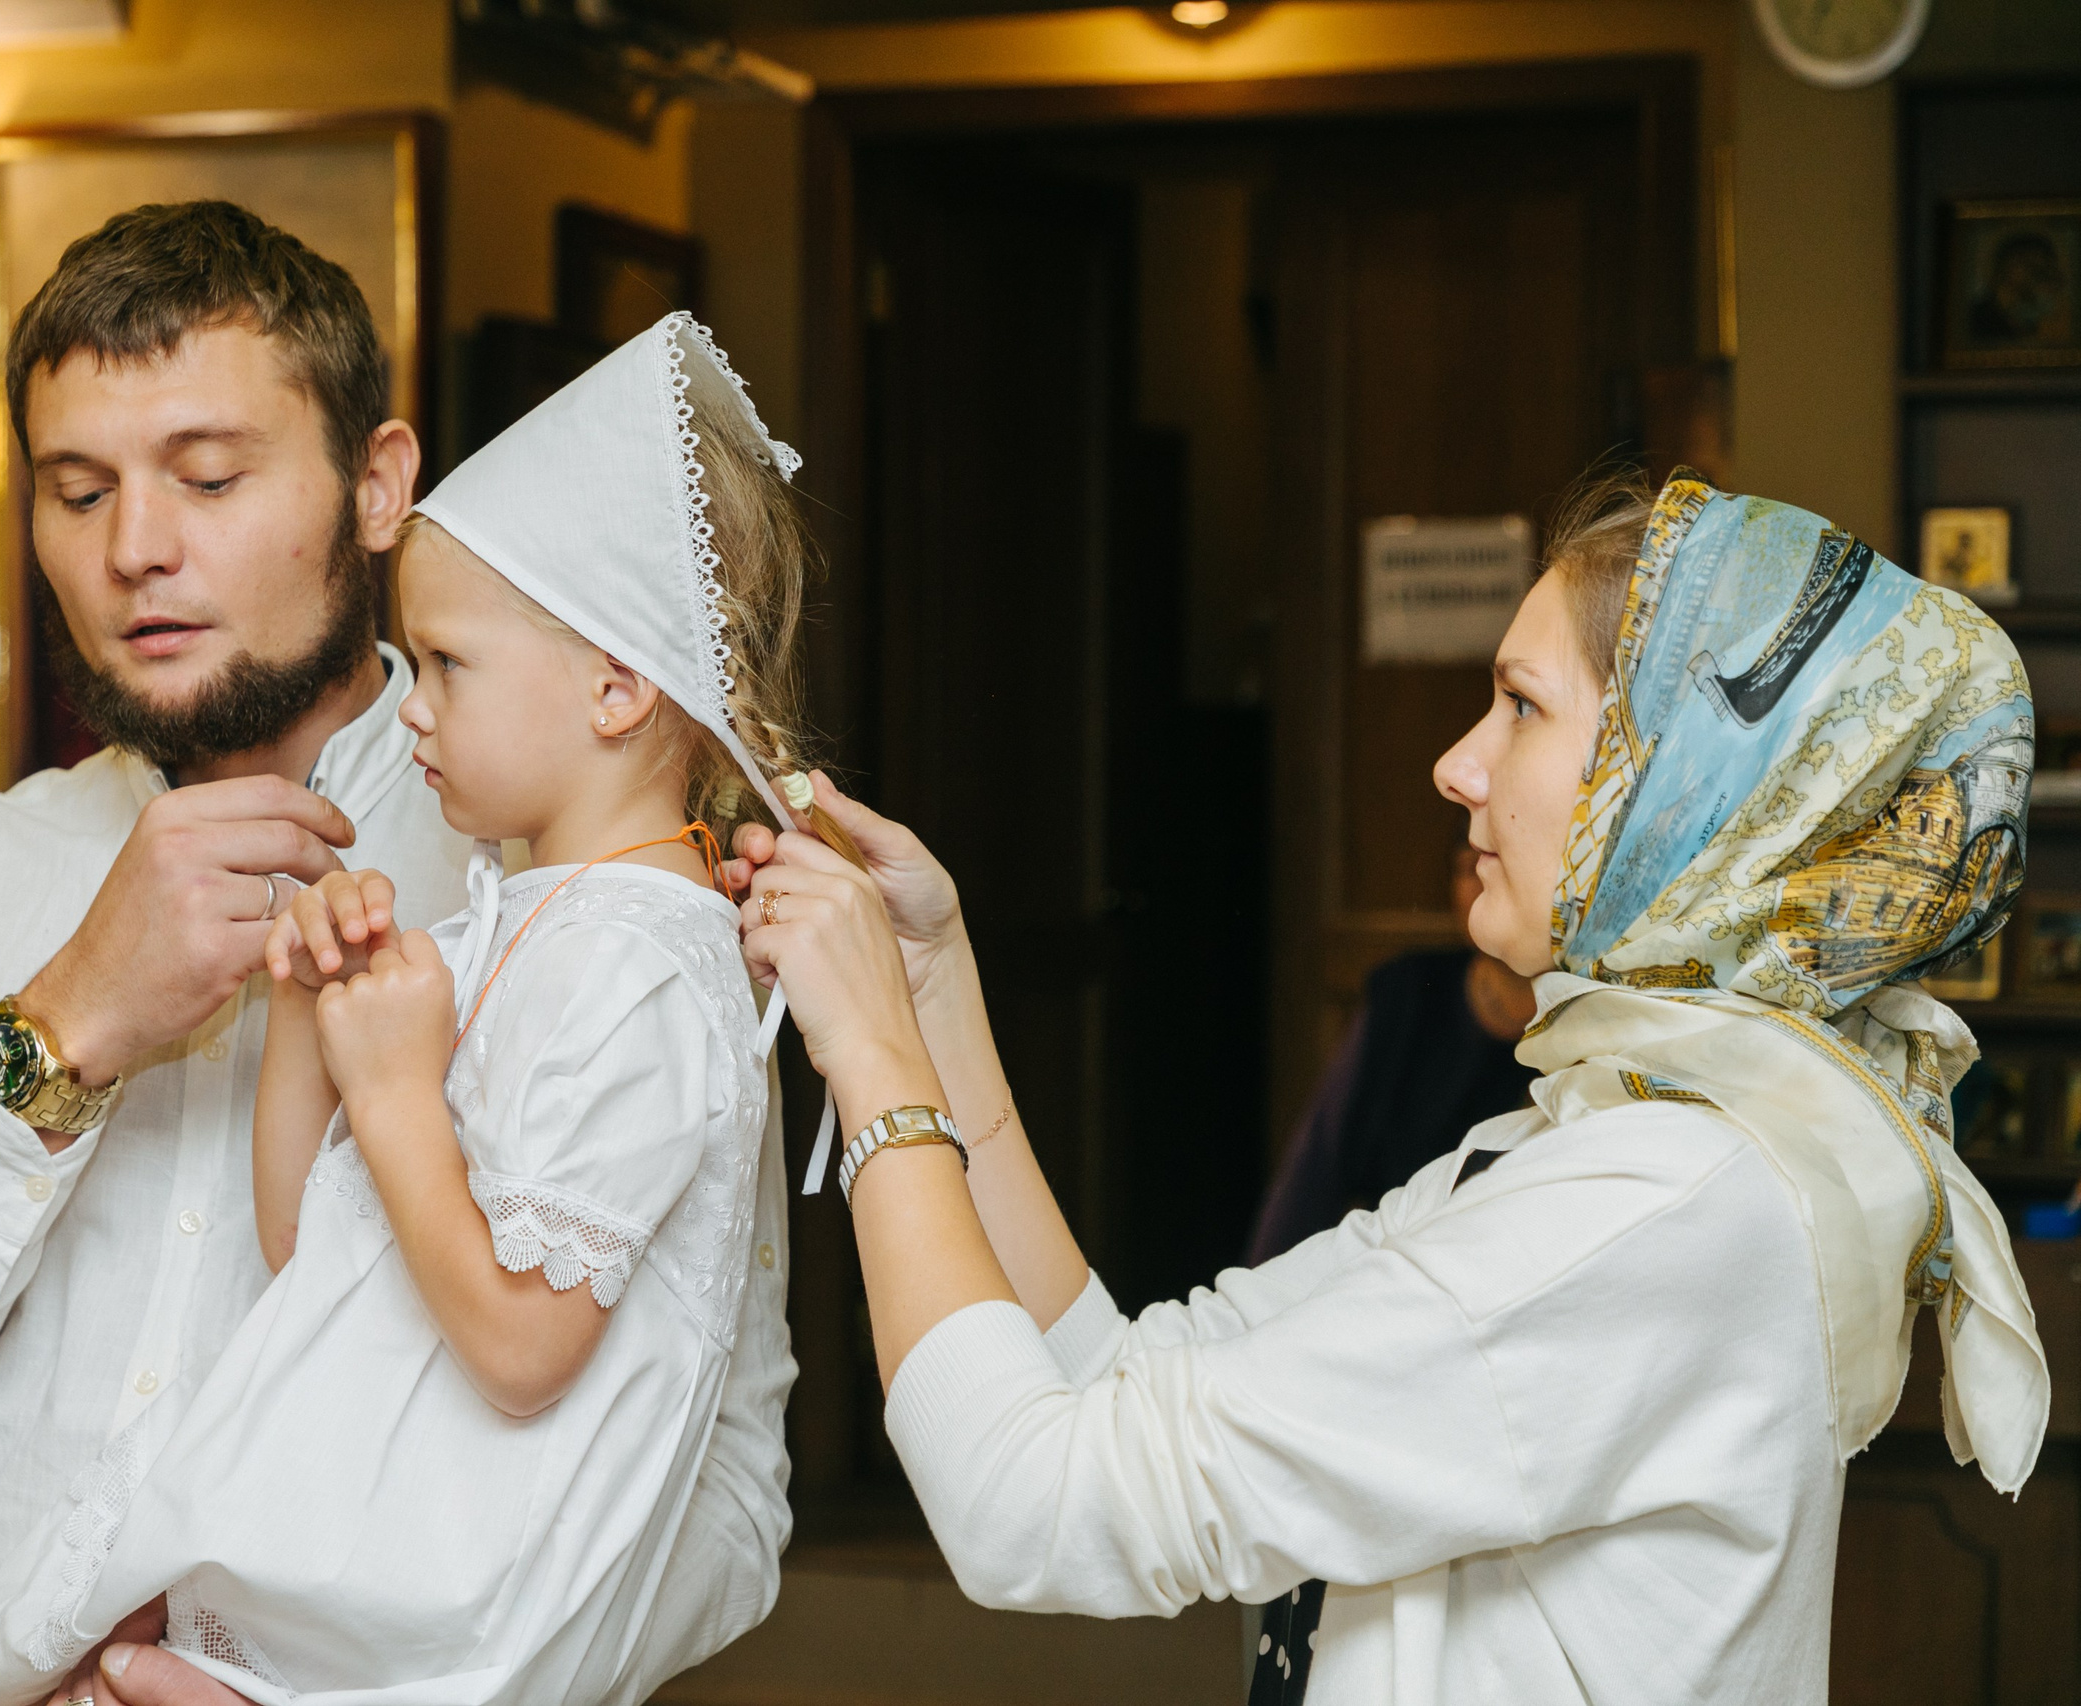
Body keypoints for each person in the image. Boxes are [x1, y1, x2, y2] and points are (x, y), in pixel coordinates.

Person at [0, 202, 795, 1706]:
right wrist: (62, 1029)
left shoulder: (601, 890)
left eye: (207, 475)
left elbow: (726, 1488)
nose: (137, 549)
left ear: (378, 484)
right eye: (76, 491)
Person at [736, 473, 2050, 1703]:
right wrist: (932, 991)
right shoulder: (1591, 1142)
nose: (1456, 767)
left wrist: (870, 1063)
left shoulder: (1662, 1202)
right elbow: (1126, 1374)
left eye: (1522, 706)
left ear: (1685, 790)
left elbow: (1036, 1505)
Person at [1247, 845, 1534, 1263]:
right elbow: (1319, 1160)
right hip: (1383, 1265)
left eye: (1493, 864)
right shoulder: (1409, 991)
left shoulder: (1581, 1019)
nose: (1479, 886)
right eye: (1466, 869)